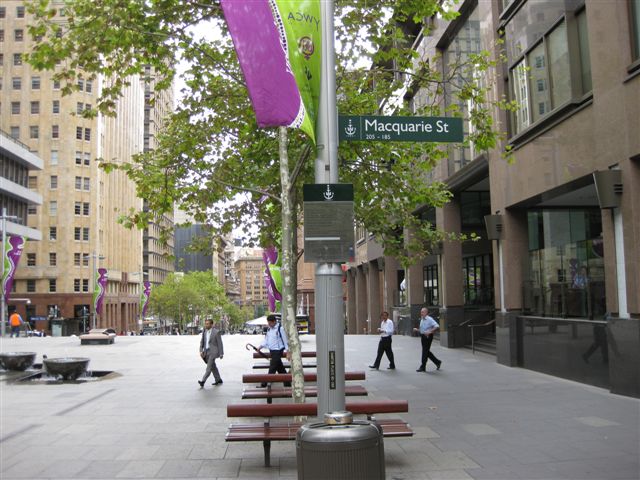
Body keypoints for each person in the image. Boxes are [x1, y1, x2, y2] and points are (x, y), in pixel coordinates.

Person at [258, 315, 290, 386]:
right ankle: (287, 383)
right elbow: (266, 340)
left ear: (274, 321)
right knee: (280, 369)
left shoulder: (280, 328)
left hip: (278, 351)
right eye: (268, 323)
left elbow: (285, 341)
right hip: (272, 351)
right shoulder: (269, 329)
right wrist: (260, 347)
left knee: (272, 368)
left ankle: (264, 384)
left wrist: (288, 352)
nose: (269, 324)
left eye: (270, 323)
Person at [413, 307, 442, 372]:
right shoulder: (422, 319)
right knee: (426, 352)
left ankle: (422, 367)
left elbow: (437, 326)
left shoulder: (429, 319)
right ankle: (437, 362)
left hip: (428, 337)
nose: (421, 313)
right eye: (421, 312)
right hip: (423, 336)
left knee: (424, 352)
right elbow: (423, 330)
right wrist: (417, 330)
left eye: (422, 312)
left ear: (426, 312)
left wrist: (430, 331)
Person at [198, 319, 224, 388]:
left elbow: (220, 343)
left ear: (211, 325)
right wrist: (201, 350)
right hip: (206, 352)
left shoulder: (216, 332)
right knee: (213, 367)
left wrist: (221, 353)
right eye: (205, 324)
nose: (206, 325)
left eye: (207, 324)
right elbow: (202, 342)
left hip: (213, 352)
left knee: (208, 368)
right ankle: (218, 379)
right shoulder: (204, 331)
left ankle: (202, 381)